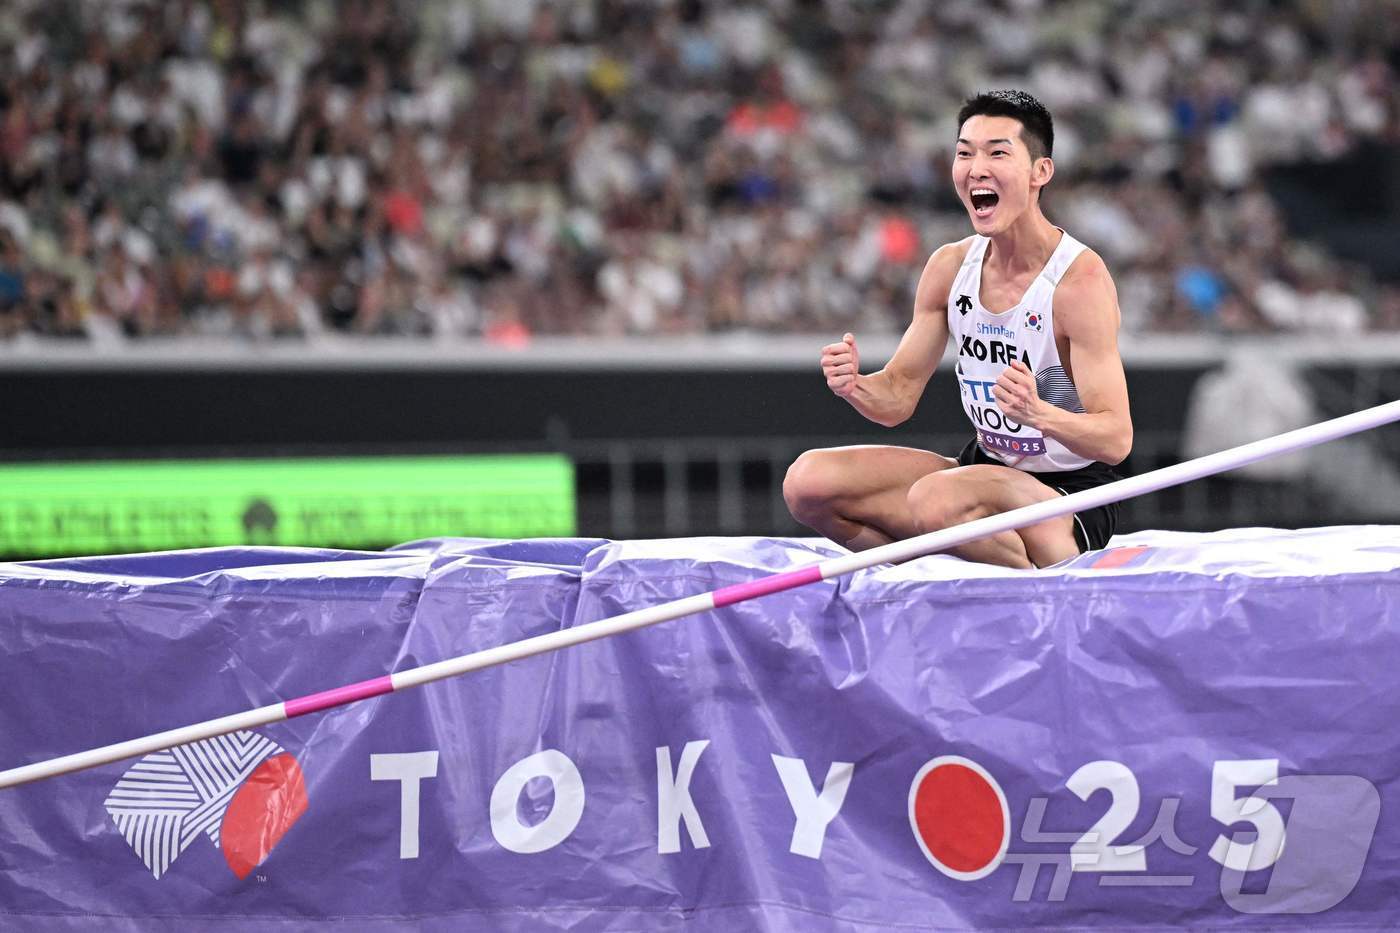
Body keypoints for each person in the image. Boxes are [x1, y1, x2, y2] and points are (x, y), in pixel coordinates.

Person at [783, 90, 1133, 569]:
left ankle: (1025, 582)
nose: (976, 169)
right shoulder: (950, 267)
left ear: (1040, 172)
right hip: (980, 473)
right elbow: (897, 397)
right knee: (808, 483)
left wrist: (1039, 414)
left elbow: (1115, 439)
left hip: (1067, 498)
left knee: (937, 500)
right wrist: (856, 386)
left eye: (997, 153)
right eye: (965, 153)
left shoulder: (1078, 282)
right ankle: (933, 577)